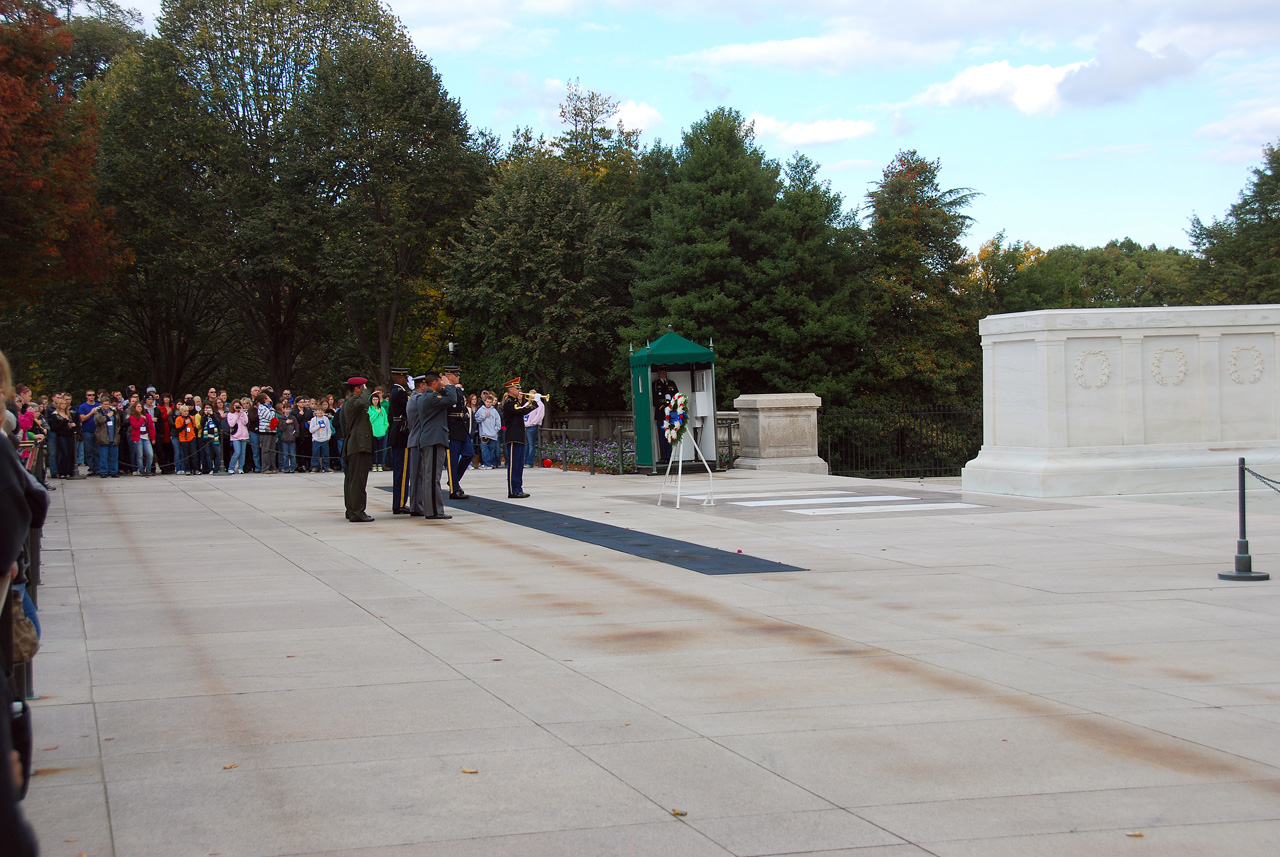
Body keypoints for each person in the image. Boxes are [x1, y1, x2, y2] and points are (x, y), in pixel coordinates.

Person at [415, 371, 456, 520]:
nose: (441, 382)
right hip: (433, 439)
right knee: (432, 477)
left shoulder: (428, 397)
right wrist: (449, 384)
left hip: (433, 438)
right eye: (439, 381)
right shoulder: (431, 397)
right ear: (434, 383)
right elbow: (452, 399)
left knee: (431, 476)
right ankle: (433, 510)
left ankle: (433, 509)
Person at [340, 377, 374, 521]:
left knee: (354, 480)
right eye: (363, 387)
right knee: (358, 481)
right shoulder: (353, 401)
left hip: (358, 444)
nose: (365, 390)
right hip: (358, 445)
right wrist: (367, 392)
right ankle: (357, 512)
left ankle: (352, 509)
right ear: (357, 389)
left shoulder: (352, 402)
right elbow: (362, 401)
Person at [501, 377, 537, 499]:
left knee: (519, 464)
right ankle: (512, 490)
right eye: (517, 388)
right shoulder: (510, 402)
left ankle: (518, 488)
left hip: (519, 437)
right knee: (513, 465)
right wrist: (533, 403)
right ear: (511, 389)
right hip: (513, 437)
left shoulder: (515, 402)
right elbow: (522, 411)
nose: (520, 390)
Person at [444, 367, 472, 500]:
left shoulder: (457, 390)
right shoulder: (446, 391)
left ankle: (453, 479)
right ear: (449, 376)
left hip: (461, 426)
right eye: (456, 374)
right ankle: (454, 489)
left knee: (469, 454)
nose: (458, 376)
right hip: (452, 428)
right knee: (453, 460)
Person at [387, 369, 411, 514]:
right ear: (398, 378)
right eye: (404, 377)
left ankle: (399, 502)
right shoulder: (400, 393)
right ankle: (400, 503)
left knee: (400, 470)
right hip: (402, 434)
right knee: (402, 471)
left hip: (397, 431)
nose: (407, 380)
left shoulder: (394, 392)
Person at [405, 374, 429, 516]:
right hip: (418, 440)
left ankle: (417, 505)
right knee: (418, 475)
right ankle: (416, 506)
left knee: (418, 475)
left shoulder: (414, 398)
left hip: (416, 439)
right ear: (423, 386)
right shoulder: (418, 399)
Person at [652, 367, 679, 465]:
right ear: (658, 373)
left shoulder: (671, 383)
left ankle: (670, 456)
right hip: (661, 413)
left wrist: (673, 407)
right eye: (661, 372)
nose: (663, 374)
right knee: (662, 435)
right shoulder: (655, 384)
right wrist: (662, 406)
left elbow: (677, 396)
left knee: (671, 434)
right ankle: (663, 456)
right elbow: (655, 399)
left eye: (664, 372)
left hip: (671, 413)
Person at [92, 390, 122, 478]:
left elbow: (118, 421)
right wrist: (107, 416)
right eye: (104, 404)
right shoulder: (98, 411)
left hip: (113, 435)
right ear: (101, 404)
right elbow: (98, 421)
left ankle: (114, 471)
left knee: (114, 455)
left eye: (107, 404)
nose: (106, 406)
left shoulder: (114, 411)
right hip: (103, 436)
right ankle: (104, 471)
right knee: (104, 456)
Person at [128, 401, 156, 476]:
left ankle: (148, 469)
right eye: (138, 406)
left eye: (140, 406)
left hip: (146, 437)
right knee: (139, 455)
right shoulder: (132, 417)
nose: (139, 408)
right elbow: (136, 426)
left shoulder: (147, 416)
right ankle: (141, 470)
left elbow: (151, 428)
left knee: (150, 454)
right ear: (134, 408)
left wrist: (153, 438)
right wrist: (141, 419)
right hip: (138, 437)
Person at [475, 392, 501, 469]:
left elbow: (498, 422)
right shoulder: (481, 410)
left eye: (490, 402)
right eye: (487, 402)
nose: (489, 404)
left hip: (492, 434)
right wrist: (484, 416)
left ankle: (491, 463)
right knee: (484, 449)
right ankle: (486, 463)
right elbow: (476, 419)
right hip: (484, 433)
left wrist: (496, 430)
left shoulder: (494, 411)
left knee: (492, 449)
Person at [78, 389, 99, 475]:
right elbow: (82, 418)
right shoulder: (83, 406)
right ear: (86, 396)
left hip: (97, 430)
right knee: (89, 450)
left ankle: (98, 468)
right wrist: (91, 412)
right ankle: (91, 468)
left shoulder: (98, 405)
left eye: (93, 395)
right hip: (87, 430)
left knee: (97, 451)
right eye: (89, 395)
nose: (91, 397)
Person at [174, 403, 198, 475]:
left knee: (194, 454)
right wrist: (185, 424)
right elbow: (178, 429)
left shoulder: (191, 418)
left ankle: (195, 469)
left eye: (187, 411)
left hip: (191, 437)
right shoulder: (178, 419)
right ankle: (187, 469)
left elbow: (194, 427)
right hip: (183, 439)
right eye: (184, 411)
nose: (186, 413)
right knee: (186, 454)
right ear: (181, 412)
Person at [256, 393, 277, 473]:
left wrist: (272, 410)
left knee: (272, 450)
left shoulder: (270, 407)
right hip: (265, 431)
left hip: (272, 431)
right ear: (265, 399)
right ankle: (265, 467)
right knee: (266, 450)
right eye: (268, 397)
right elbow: (270, 417)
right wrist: (272, 411)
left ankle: (272, 466)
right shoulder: (262, 408)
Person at [524, 388, 546, 464]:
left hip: (532, 426)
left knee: (531, 445)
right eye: (530, 395)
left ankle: (529, 462)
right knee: (526, 445)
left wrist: (532, 423)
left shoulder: (540, 404)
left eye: (533, 395)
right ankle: (525, 461)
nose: (531, 396)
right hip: (526, 426)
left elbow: (539, 416)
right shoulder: (527, 404)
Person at [227, 399, 249, 473]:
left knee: (243, 453)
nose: (237, 407)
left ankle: (240, 468)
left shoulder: (243, 413)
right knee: (237, 452)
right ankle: (231, 467)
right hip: (235, 436)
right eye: (235, 406)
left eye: (238, 406)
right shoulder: (230, 414)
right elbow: (231, 424)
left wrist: (242, 413)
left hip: (244, 435)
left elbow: (246, 422)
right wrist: (237, 416)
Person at [369, 390, 388, 472]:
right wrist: (376, 412)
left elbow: (385, 420)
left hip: (381, 432)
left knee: (381, 449)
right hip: (373, 432)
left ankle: (380, 464)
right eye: (374, 399)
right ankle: (374, 464)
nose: (375, 401)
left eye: (376, 399)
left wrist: (384, 428)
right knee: (374, 450)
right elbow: (370, 419)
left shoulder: (382, 409)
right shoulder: (370, 409)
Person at [278, 402, 298, 473]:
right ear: (283, 410)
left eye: (289, 409)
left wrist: (295, 435)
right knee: (285, 455)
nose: (288, 411)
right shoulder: (281, 418)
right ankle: (286, 468)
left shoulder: (293, 418)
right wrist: (286, 423)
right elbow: (280, 428)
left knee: (292, 455)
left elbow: (296, 428)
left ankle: (292, 468)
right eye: (286, 409)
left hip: (292, 439)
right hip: (284, 439)